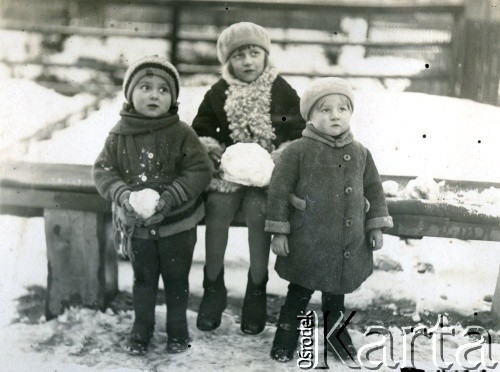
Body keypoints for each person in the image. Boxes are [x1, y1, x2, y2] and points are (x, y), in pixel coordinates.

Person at [265, 77, 393, 362]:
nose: (335, 115)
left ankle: (336, 337)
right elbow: (279, 191)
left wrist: (376, 225)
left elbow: (373, 188)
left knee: (335, 297)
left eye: (342, 108)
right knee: (297, 293)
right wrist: (280, 231)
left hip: (345, 243)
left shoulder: (360, 152)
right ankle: (285, 339)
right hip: (306, 240)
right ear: (310, 116)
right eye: (325, 109)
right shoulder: (296, 151)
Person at [93, 56, 212, 355]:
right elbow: (104, 171)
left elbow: (200, 170)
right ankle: (141, 328)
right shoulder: (118, 135)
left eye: (163, 89)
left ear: (172, 98)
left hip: (178, 225)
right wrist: (124, 196)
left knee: (176, 279)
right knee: (143, 279)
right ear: (130, 94)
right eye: (145, 87)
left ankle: (177, 329)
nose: (153, 95)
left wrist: (169, 197)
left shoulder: (183, 133)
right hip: (139, 227)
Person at [192, 22, 305, 335]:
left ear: (265, 56)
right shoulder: (219, 92)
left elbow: (298, 131)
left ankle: (256, 289)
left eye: (254, 53)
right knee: (217, 210)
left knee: (260, 213)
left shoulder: (280, 89)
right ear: (228, 62)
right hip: (228, 174)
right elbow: (200, 130)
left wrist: (280, 156)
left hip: (267, 176)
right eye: (239, 55)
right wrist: (212, 150)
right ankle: (213, 288)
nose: (247, 62)